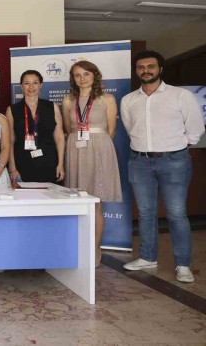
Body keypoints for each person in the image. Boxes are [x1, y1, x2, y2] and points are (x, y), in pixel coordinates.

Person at [121, 51, 204, 282]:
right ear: (136, 71)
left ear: (160, 69)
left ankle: (183, 264)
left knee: (176, 214)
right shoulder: (129, 100)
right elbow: (130, 129)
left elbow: (195, 128)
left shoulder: (181, 96)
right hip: (139, 161)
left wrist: (176, 147)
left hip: (174, 161)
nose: (145, 70)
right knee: (146, 213)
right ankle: (147, 257)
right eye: (141, 67)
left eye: (151, 66)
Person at [61, 60, 122, 268]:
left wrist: (96, 146)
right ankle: (78, 247)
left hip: (99, 149)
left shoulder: (107, 98)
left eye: (86, 74)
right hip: (76, 149)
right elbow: (68, 128)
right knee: (77, 201)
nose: (82, 78)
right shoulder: (68, 100)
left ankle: (95, 248)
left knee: (96, 202)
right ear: (73, 78)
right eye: (77, 75)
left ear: (95, 75)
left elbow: (111, 130)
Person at [6, 70, 65, 183]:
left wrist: (60, 164)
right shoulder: (13, 109)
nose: (31, 87)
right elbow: (10, 140)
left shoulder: (52, 107)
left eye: (35, 83)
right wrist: (12, 167)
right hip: (22, 161)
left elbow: (59, 137)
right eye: (27, 83)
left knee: (50, 193)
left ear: (40, 85)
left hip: (49, 160)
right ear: (21, 86)